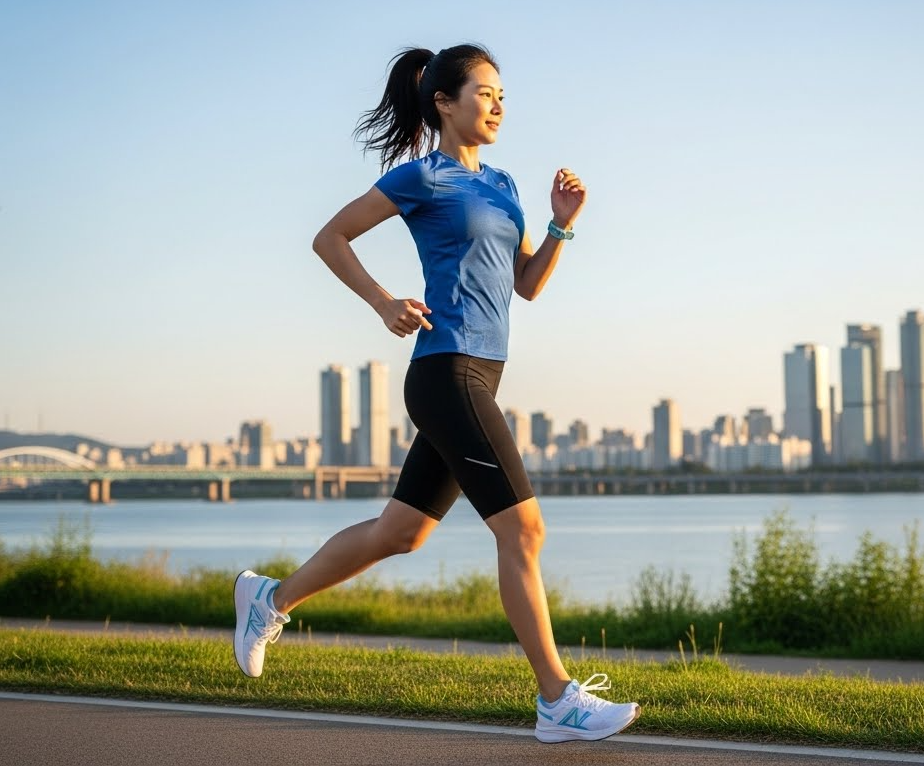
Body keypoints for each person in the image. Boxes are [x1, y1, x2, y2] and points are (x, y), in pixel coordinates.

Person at [234, 43, 641, 744]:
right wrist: (382, 301)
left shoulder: (505, 184)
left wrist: (561, 223)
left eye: (503, 96)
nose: (498, 106)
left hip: (484, 373)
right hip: (446, 370)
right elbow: (330, 237)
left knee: (403, 532)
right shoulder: (422, 175)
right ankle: (556, 700)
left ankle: (271, 597)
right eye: (484, 93)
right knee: (524, 529)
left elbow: (527, 285)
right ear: (444, 103)